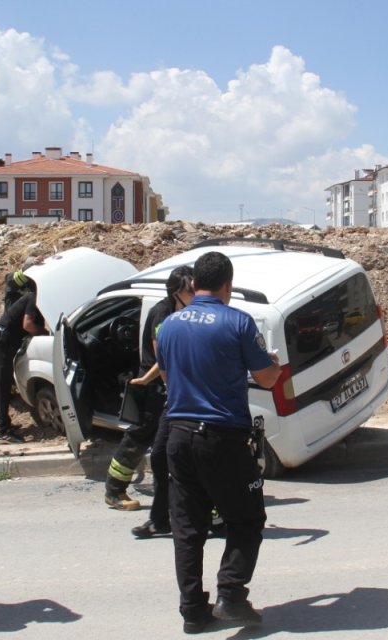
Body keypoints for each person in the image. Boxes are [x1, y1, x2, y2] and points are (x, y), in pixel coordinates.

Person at [156, 251, 281, 634]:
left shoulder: (170, 325)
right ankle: (231, 594)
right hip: (222, 438)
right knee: (247, 518)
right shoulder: (238, 322)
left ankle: (193, 611)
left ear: (193, 285)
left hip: (178, 435)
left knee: (188, 529)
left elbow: (165, 376)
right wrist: (272, 362)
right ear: (228, 285)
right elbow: (267, 379)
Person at [105, 266, 195, 513]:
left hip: (169, 387)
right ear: (176, 291)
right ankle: (114, 489)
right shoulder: (162, 314)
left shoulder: (186, 311)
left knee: (164, 444)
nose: (195, 293)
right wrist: (153, 381)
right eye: (190, 289)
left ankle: (169, 493)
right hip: (153, 388)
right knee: (138, 437)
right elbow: (163, 356)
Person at [0, 287, 45, 443]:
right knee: (2, 385)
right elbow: (28, 325)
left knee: (5, 384)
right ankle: (3, 431)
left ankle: (6, 426)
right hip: (0, 341)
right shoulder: (33, 297)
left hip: (3, 340)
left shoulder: (34, 298)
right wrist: (44, 333)